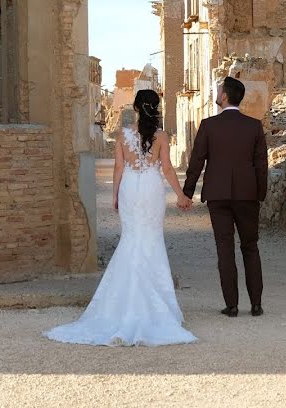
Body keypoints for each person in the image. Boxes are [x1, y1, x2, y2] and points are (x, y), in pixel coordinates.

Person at [43, 89, 198, 346]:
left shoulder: (122, 136)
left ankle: (119, 306)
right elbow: (167, 168)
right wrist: (181, 195)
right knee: (150, 240)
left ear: (136, 108)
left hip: (129, 188)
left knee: (131, 240)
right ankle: (157, 309)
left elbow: (118, 167)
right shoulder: (161, 136)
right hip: (150, 188)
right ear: (155, 108)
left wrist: (115, 195)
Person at [180, 76, 268, 318]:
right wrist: (260, 193)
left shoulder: (209, 126)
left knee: (224, 248)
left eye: (219, 91)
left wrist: (187, 192)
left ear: (225, 96)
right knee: (250, 247)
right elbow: (261, 164)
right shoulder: (254, 126)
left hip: (218, 195)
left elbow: (196, 161)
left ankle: (231, 306)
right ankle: (257, 304)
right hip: (247, 195)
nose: (216, 94)